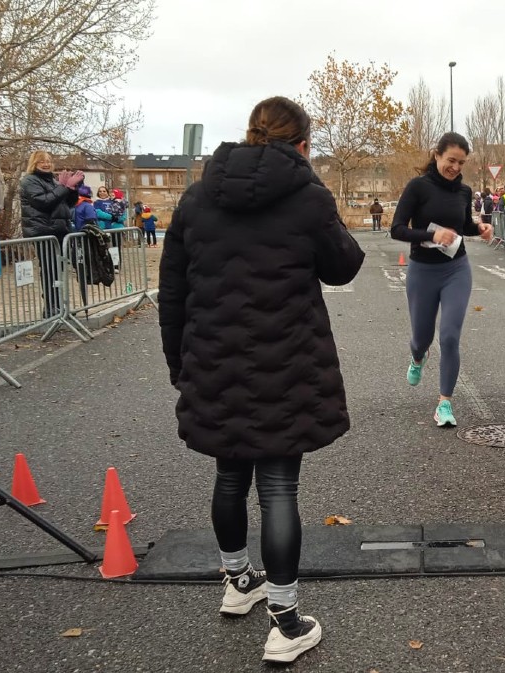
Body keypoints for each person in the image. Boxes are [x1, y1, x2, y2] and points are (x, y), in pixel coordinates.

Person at [158, 96, 364, 664]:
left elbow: (173, 290)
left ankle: (237, 582)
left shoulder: (197, 197)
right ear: (303, 145)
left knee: (229, 476)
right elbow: (344, 264)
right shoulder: (307, 196)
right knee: (277, 487)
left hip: (213, 358)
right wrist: (313, 188)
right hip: (286, 362)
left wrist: (179, 363)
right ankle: (286, 621)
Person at [390, 132, 494, 427]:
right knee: (422, 338)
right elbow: (397, 229)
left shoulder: (464, 191)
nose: (455, 167)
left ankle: (444, 403)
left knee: (449, 336)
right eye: (451, 160)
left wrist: (480, 228)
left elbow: (463, 226)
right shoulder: (418, 187)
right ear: (436, 155)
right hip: (422, 271)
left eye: (461, 163)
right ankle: (417, 357)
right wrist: (431, 235)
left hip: (455, 269)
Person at [20, 151, 82, 319]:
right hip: (43, 230)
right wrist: (63, 188)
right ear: (34, 163)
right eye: (42, 161)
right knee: (49, 269)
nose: (46, 164)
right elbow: (43, 202)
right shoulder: (30, 181)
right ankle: (50, 306)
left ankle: (59, 304)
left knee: (58, 269)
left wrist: (72, 189)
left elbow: (68, 203)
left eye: (48, 161)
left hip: (59, 230)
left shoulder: (53, 181)